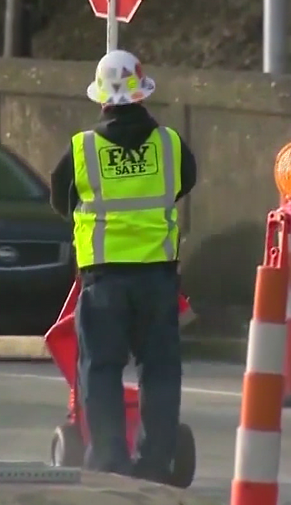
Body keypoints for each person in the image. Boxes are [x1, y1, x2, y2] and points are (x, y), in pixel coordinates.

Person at [48, 49, 197, 482]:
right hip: (157, 279)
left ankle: (109, 461)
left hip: (104, 280)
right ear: (142, 93)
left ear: (101, 99)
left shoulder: (82, 150)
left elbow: (62, 200)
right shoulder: (170, 144)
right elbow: (185, 181)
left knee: (100, 370)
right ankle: (156, 463)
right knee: (161, 372)